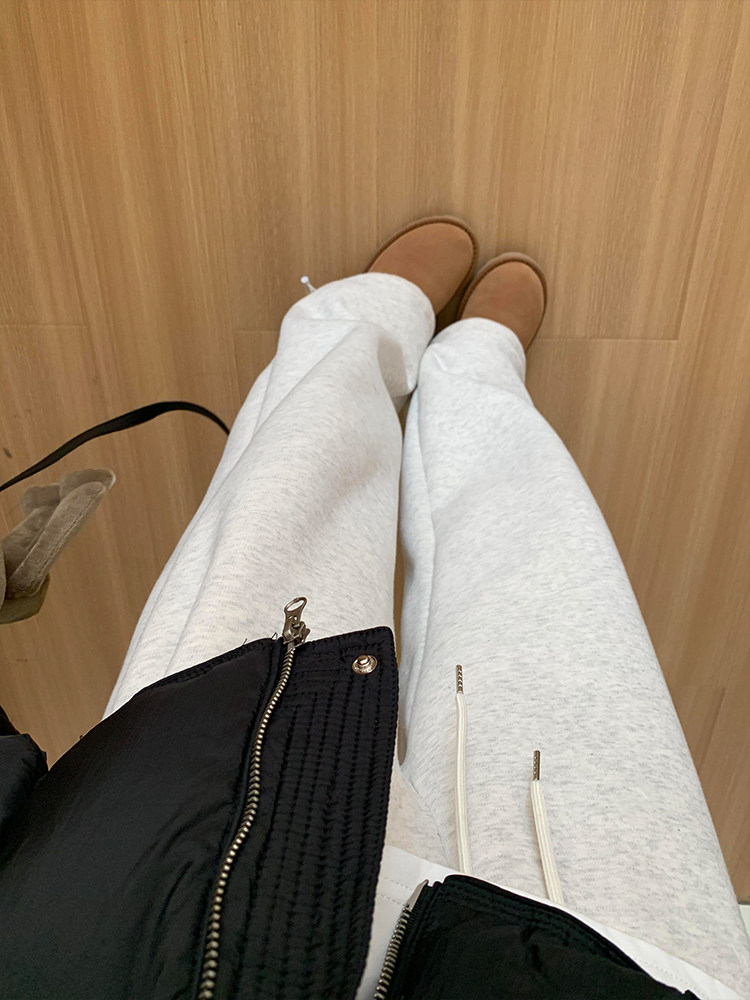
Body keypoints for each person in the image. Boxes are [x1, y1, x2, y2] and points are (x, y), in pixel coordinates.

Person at [0, 217, 748, 998]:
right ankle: (477, 367)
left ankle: (368, 321)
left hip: (147, 907)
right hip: (621, 972)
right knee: (544, 585)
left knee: (283, 507)